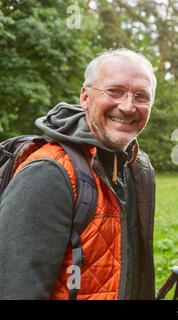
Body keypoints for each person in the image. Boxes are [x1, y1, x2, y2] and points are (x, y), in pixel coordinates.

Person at [0, 48, 157, 299]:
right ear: (85, 97)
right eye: (115, 91)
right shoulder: (48, 174)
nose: (128, 106)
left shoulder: (135, 167)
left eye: (141, 96)